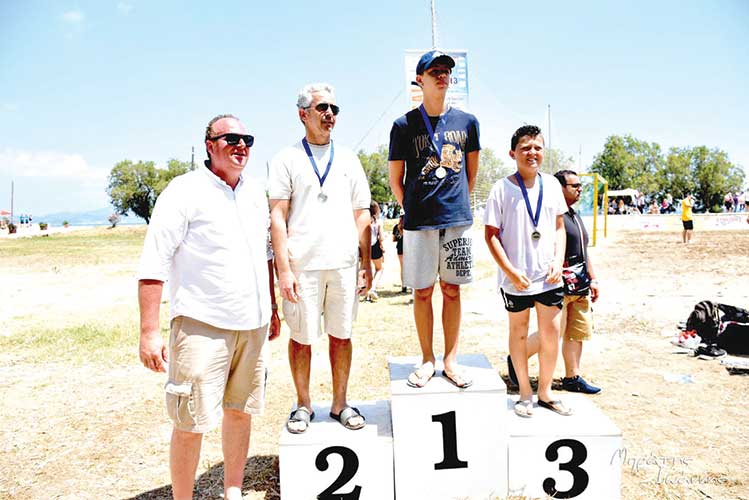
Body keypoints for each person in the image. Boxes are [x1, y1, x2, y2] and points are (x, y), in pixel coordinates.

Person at [137, 114, 280, 500]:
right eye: (231, 138)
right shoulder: (183, 191)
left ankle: (233, 490)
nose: (241, 146)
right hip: (201, 324)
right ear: (209, 145)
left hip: (253, 324)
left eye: (247, 139)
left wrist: (273, 308)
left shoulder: (255, 192)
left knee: (241, 411)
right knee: (190, 422)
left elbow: (265, 255)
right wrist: (149, 332)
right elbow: (153, 262)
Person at [269, 82, 372, 434]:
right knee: (302, 338)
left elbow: (362, 214)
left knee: (341, 336)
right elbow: (278, 216)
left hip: (343, 265)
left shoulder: (349, 159)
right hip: (303, 266)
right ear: (303, 114)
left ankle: (340, 403)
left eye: (334, 109)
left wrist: (366, 263)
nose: (329, 114)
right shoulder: (286, 159)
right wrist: (284, 270)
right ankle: (303, 404)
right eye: (322, 108)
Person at [388, 50, 481, 388]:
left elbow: (471, 175)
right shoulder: (403, 125)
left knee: (452, 290)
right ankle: (427, 359)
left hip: (456, 220)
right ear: (420, 80)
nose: (442, 75)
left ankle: (451, 360)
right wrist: (412, 208)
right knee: (423, 292)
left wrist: (453, 204)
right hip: (419, 223)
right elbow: (395, 179)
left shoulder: (467, 122)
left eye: (446, 71)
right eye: (434, 71)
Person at [484, 125, 569, 418]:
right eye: (525, 148)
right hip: (516, 280)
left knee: (550, 334)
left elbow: (559, 227)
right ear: (513, 153)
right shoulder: (501, 188)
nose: (532, 153)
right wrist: (510, 270)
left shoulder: (553, 185)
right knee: (518, 334)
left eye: (537, 148)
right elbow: (491, 235)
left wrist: (558, 260)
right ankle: (523, 393)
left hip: (549, 277)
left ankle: (545, 391)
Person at [507, 170, 602, 395]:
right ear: (560, 188)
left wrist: (593, 278)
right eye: (574, 185)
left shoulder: (574, 215)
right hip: (559, 283)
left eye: (580, 185)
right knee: (553, 332)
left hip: (581, 284)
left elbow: (584, 251)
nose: (580, 189)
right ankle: (517, 357)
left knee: (576, 332)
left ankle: (572, 377)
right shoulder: (549, 216)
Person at [366, 201, 385, 302]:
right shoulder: (378, 222)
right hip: (375, 246)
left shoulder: (364, 220)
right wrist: (383, 248)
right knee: (379, 269)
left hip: (364, 246)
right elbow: (381, 237)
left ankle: (365, 290)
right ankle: (372, 288)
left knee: (365, 268)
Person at [392, 213, 407, 293]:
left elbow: (393, 239)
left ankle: (404, 286)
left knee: (402, 268)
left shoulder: (396, 227)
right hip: (409, 248)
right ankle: (412, 286)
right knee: (411, 267)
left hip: (400, 248)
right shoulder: (409, 225)